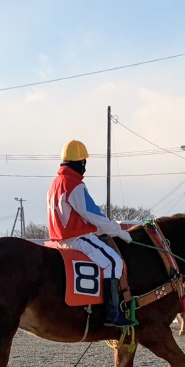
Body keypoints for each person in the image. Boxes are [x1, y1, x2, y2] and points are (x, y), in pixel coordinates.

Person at [48, 140, 133, 327]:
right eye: (84, 162)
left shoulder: (55, 183)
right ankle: (112, 314)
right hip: (77, 238)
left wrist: (101, 229)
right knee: (114, 261)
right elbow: (91, 213)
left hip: (58, 239)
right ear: (81, 162)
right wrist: (118, 231)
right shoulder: (73, 183)